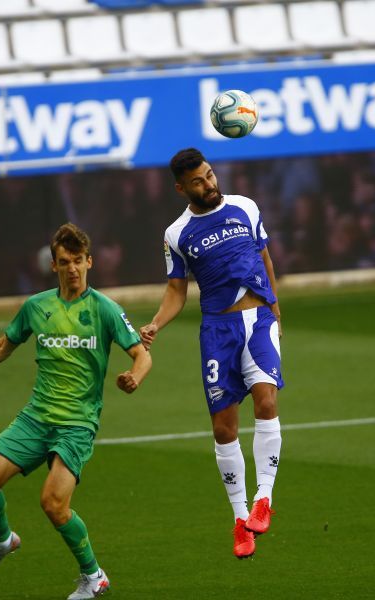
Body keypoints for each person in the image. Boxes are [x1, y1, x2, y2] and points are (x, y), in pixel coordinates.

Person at [0, 223, 151, 599]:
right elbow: (2, 346)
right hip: (36, 417)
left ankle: (93, 576)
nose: (73, 269)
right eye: (65, 262)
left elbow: (142, 353)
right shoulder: (36, 307)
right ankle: (3, 541)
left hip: (77, 424)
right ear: (54, 265)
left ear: (89, 262)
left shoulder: (105, 309)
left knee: (53, 503)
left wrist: (134, 376)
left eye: (79, 261)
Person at [139, 148, 283, 559]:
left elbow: (264, 258)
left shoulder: (245, 207)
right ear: (181, 188)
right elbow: (176, 291)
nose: (209, 184)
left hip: (258, 319)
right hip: (218, 330)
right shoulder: (176, 234)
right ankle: (240, 522)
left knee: (267, 399)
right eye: (199, 181)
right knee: (223, 429)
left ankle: (263, 500)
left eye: (210, 175)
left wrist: (276, 312)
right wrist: (155, 324)